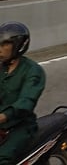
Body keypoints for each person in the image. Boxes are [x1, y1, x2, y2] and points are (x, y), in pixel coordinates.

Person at [0, 22, 45, 164]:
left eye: (5, 45)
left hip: (21, 127)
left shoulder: (33, 71)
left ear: (19, 45)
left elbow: (26, 101)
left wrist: (4, 116)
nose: (0, 49)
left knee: (2, 159)